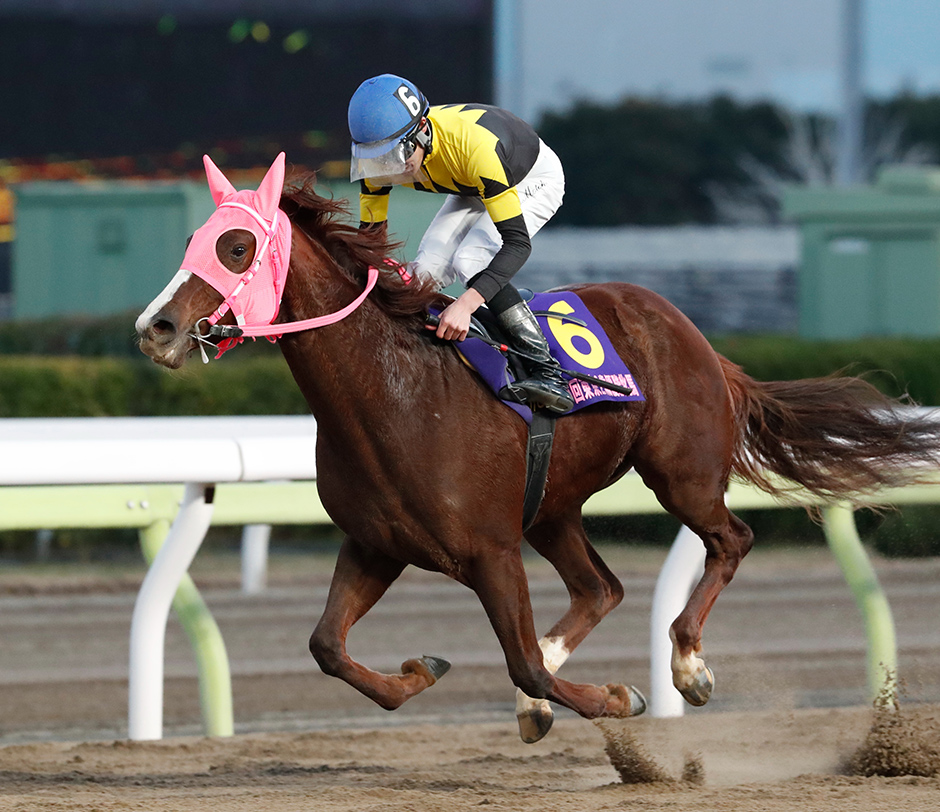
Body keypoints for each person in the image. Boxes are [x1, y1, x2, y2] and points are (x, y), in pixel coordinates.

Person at [348, 73, 574, 414]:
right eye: (376, 159)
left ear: (422, 130)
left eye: (394, 156)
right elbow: (370, 243)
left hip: (530, 176)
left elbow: (516, 246)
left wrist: (465, 305)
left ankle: (549, 371)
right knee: (424, 273)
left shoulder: (475, 150)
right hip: (469, 183)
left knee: (470, 259)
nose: (386, 170)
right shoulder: (383, 161)